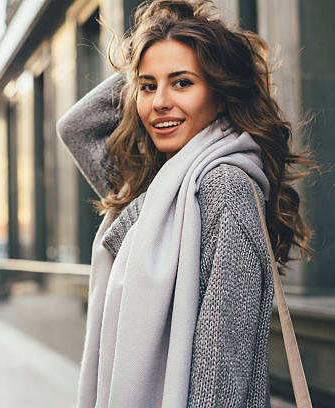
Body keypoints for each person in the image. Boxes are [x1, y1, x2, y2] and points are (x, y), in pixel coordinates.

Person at [57, 0, 314, 406]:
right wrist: (165, 30)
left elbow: (222, 369)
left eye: (182, 83)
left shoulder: (224, 188)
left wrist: (183, 40)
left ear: (223, 92)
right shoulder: (152, 185)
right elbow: (78, 127)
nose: (159, 102)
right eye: (147, 86)